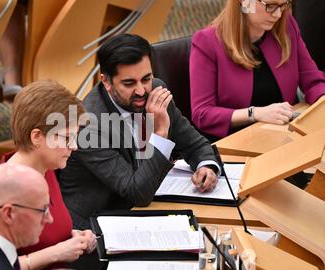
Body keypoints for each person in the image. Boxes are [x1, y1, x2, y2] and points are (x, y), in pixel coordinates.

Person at [59, 33, 220, 231]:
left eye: (146, 78)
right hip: (97, 228)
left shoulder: (156, 91)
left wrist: (206, 166)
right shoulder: (89, 125)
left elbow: (194, 143)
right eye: (129, 83)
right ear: (106, 82)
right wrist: (160, 133)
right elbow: (137, 193)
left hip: (146, 206)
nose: (142, 91)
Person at [190, 0, 325, 140]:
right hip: (236, 144)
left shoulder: (287, 26)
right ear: (245, 0)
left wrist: (322, 100)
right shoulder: (207, 42)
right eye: (271, 6)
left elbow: (313, 82)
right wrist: (255, 113)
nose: (278, 14)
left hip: (285, 137)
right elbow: (202, 114)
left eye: (284, 5)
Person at [4, 79, 97, 270]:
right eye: (66, 138)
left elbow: (43, 236)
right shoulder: (8, 190)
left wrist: (75, 238)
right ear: (37, 137)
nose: (74, 146)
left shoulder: (46, 167)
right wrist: (58, 252)